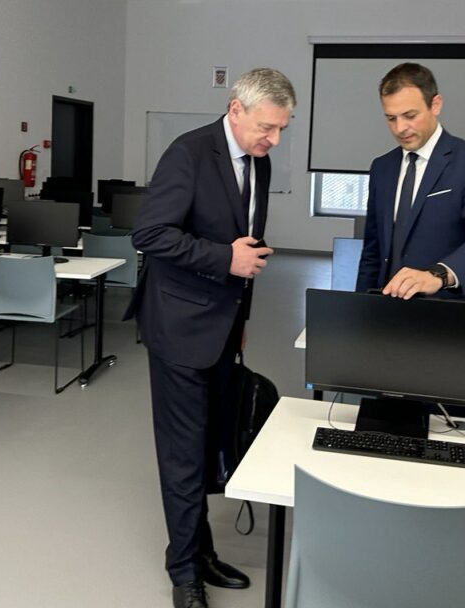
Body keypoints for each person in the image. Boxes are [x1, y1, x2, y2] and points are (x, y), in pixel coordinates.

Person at [129, 68, 296, 608]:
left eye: (282, 128)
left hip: (224, 326)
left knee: (206, 444)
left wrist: (241, 313)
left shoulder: (258, 161)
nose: (274, 140)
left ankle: (200, 551)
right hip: (178, 326)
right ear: (235, 110)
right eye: (267, 127)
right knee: (182, 455)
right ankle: (184, 575)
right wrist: (226, 258)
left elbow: (245, 239)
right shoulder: (189, 152)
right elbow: (150, 234)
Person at [355, 62, 465, 300]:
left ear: (435, 105)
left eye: (410, 116)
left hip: (450, 311)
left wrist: (438, 275)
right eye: (391, 118)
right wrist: (360, 306)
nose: (400, 128)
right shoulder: (382, 168)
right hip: (388, 310)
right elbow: (372, 250)